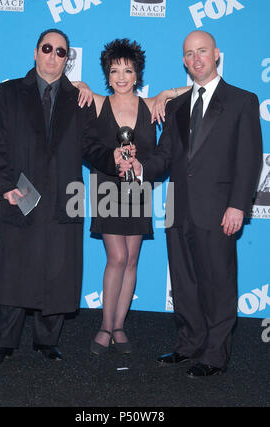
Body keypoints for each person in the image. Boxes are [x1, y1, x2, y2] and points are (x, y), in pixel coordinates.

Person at [125, 30, 262, 376]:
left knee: (218, 283)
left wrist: (237, 205)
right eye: (188, 53)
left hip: (219, 210)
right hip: (179, 208)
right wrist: (142, 167)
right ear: (183, 60)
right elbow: (165, 155)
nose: (195, 58)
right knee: (184, 282)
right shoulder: (177, 106)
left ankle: (215, 355)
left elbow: (249, 159)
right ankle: (188, 344)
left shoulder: (242, 100)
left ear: (217, 54)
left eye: (202, 51)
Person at [0, 29, 123, 366]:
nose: (53, 55)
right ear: (35, 52)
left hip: (65, 195)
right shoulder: (8, 92)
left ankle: (47, 341)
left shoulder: (79, 99)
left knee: (59, 269)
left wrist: (113, 159)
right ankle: (4, 343)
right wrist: (5, 185)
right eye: (47, 48)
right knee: (13, 269)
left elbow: (91, 147)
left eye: (61, 52)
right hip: (21, 192)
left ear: (67, 59)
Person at [87, 39, 188, 355]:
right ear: (107, 74)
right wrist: (77, 82)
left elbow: (203, 89)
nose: (121, 77)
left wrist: (167, 94)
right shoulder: (98, 104)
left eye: (127, 70)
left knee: (132, 259)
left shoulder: (151, 106)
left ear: (137, 74)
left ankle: (119, 325)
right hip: (107, 188)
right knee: (116, 257)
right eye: (114, 70)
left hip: (139, 189)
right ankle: (105, 325)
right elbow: (88, 146)